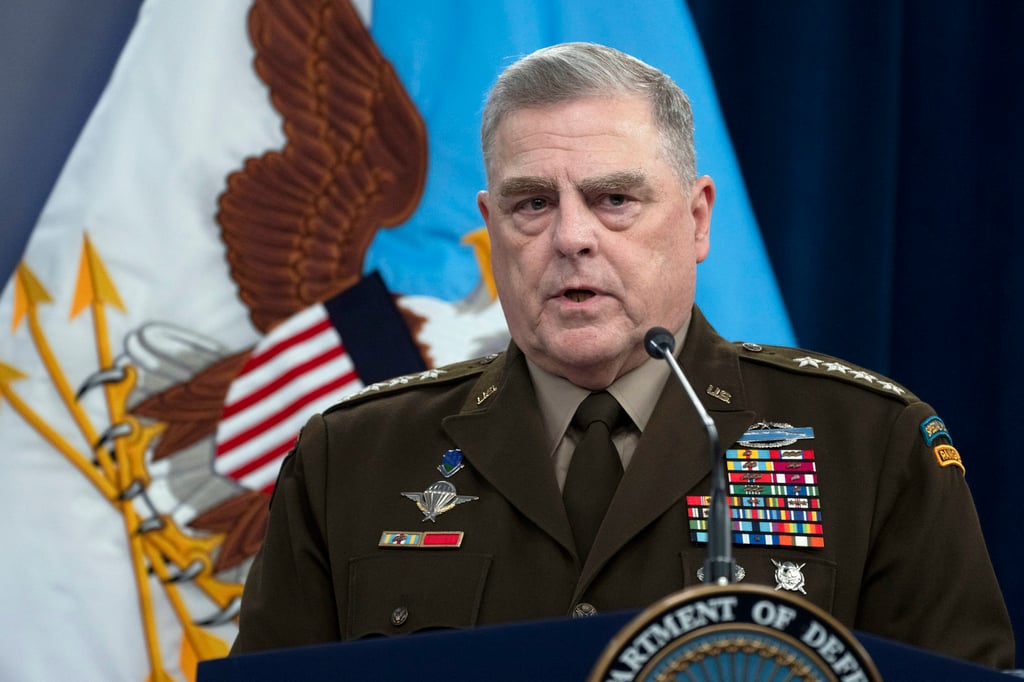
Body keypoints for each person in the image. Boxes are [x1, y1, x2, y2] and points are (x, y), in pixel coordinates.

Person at [230, 42, 1015, 668]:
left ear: (699, 220)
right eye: (532, 203)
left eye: (614, 199)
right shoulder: (353, 457)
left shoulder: (869, 447)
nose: (572, 237)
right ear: (490, 226)